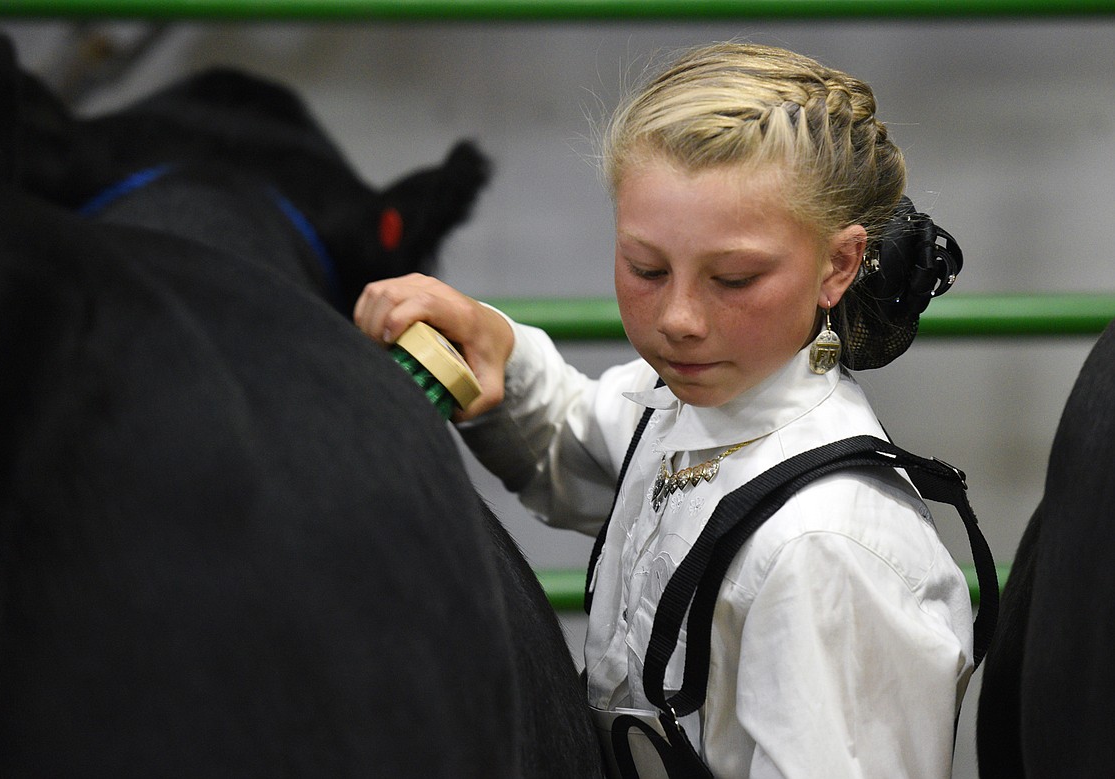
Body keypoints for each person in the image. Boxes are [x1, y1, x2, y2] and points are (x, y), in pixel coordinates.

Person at [355, 42, 975, 778]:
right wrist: (495, 346)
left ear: (837, 265)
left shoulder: (826, 551)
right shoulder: (681, 405)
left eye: (734, 278)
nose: (678, 318)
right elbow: (579, 446)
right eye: (645, 267)